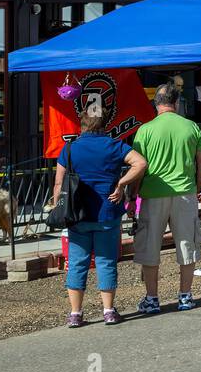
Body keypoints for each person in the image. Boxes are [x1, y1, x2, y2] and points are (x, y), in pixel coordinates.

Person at [52, 110, 148, 326]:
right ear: (105, 125)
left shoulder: (69, 149)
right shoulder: (114, 146)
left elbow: (58, 184)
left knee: (77, 263)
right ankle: (108, 311)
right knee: (106, 262)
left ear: (82, 125)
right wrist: (122, 183)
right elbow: (140, 163)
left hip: (77, 214)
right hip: (107, 212)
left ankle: (75, 314)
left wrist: (59, 207)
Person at [132, 83, 201, 314]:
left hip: (153, 194)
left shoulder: (145, 130)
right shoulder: (191, 127)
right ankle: (185, 295)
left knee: (150, 245)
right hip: (185, 192)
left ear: (156, 103)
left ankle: (152, 299)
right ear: (177, 103)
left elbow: (138, 167)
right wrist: (196, 187)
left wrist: (134, 193)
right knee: (187, 243)